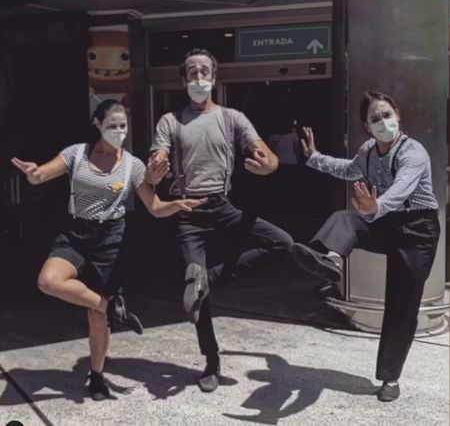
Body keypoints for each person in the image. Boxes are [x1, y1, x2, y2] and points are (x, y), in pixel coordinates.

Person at [11, 99, 205, 401]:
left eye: (123, 125)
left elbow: (154, 207)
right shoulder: (76, 153)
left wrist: (176, 205)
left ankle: (97, 374)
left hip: (112, 238)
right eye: (112, 125)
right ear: (97, 123)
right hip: (75, 232)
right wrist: (33, 173)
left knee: (95, 316)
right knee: (48, 281)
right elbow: (41, 176)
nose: (118, 130)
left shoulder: (133, 165)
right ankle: (111, 306)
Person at [147, 48, 294, 392]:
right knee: (199, 299)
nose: (199, 78)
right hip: (187, 210)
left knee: (282, 243)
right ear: (183, 80)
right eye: (192, 72)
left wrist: (268, 165)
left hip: (223, 206)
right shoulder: (170, 121)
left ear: (214, 78)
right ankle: (211, 361)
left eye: (204, 72)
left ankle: (208, 278)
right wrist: (155, 169)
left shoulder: (232, 118)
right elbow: (158, 158)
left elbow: (266, 155)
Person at [290, 91, 440, 402]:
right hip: (385, 220)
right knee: (346, 218)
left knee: (401, 306)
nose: (383, 122)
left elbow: (401, 189)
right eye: (375, 119)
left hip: (418, 230)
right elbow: (349, 170)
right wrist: (314, 158)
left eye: (387, 115)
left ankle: (390, 378)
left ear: (397, 115)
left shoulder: (413, 152)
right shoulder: (368, 151)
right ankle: (330, 259)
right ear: (366, 126)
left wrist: (376, 207)